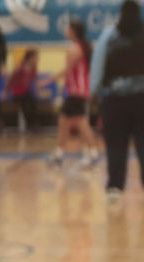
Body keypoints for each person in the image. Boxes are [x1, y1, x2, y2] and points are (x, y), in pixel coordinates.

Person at [92, 0, 144, 202]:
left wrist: (94, 92)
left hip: (114, 100)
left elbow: (97, 69)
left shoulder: (108, 36)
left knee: (115, 143)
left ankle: (115, 188)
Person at [51, 19, 100, 167]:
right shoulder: (82, 47)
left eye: (68, 28)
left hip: (77, 92)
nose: (66, 31)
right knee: (65, 121)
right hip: (78, 91)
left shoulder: (75, 49)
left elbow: (66, 71)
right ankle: (59, 153)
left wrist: (47, 81)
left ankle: (92, 152)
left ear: (73, 31)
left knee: (81, 123)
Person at [4, 48, 39, 132]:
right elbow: (11, 80)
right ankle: (26, 125)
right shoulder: (20, 67)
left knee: (32, 103)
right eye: (36, 57)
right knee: (26, 103)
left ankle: (32, 125)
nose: (37, 59)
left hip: (27, 92)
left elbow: (35, 80)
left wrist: (38, 90)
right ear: (30, 57)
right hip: (18, 92)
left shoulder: (33, 68)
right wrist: (5, 91)